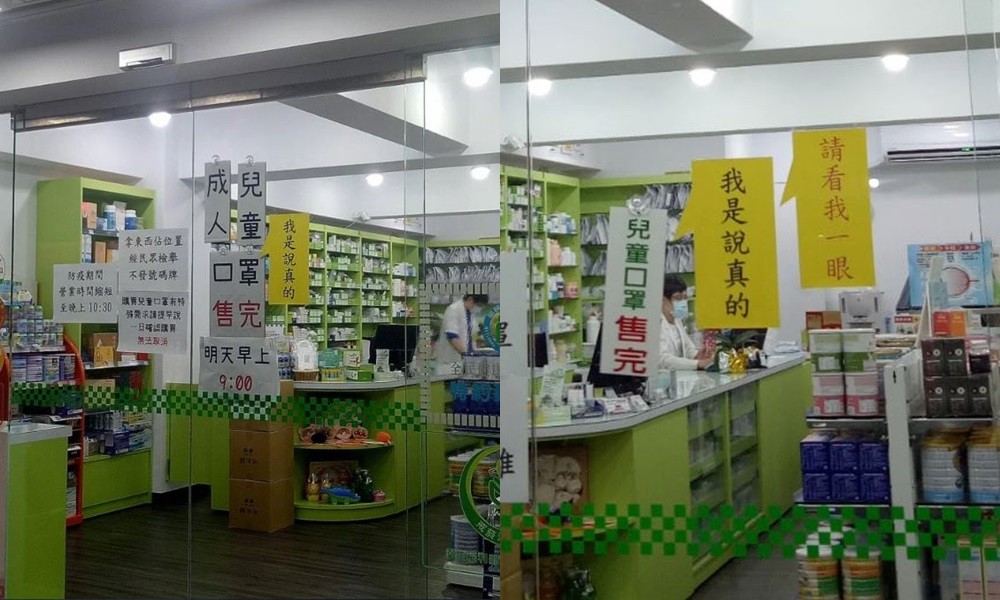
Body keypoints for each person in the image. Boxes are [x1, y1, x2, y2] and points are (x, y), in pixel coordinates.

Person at [660, 275, 714, 370]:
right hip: (662, 378)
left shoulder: (677, 320)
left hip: (680, 376)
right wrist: (697, 363)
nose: (682, 302)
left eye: (685, 298)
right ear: (663, 300)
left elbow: (688, 349)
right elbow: (663, 360)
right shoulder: (655, 324)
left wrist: (698, 356)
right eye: (677, 298)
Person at [436, 293, 489, 374]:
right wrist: (466, 355)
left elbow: (474, 336)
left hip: (467, 361)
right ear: (470, 299)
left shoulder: (471, 314)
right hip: (451, 360)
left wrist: (483, 340)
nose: (479, 308)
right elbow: (452, 336)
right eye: (479, 305)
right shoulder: (453, 309)